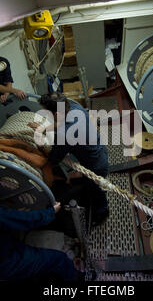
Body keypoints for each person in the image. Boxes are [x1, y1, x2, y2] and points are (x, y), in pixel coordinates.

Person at [28, 92, 109, 227]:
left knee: (96, 192)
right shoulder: (75, 109)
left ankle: (102, 213)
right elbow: (61, 123)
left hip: (95, 166)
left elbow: (54, 158)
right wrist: (43, 128)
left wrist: (40, 147)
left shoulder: (64, 135)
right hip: (101, 151)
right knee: (92, 185)